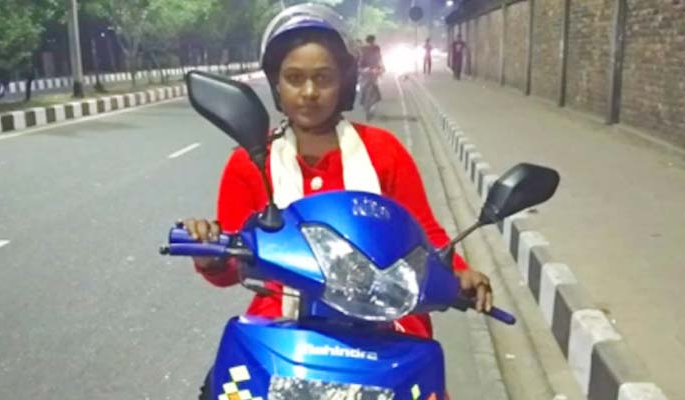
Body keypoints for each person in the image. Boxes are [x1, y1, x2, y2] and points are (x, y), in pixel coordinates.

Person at [183, 4, 493, 340]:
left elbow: (423, 232)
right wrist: (208, 251)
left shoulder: (383, 150)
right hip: (282, 328)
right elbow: (232, 262)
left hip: (385, 322)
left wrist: (459, 272)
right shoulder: (252, 161)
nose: (309, 92)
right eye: (294, 78)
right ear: (276, 84)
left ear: (343, 81)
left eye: (323, 78)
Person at [358, 34, 384, 119]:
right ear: (373, 40)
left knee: (364, 86)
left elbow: (360, 59)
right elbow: (379, 58)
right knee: (372, 86)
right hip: (370, 69)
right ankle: (368, 101)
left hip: (366, 69)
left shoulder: (363, 48)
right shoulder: (375, 48)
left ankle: (364, 101)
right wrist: (381, 68)